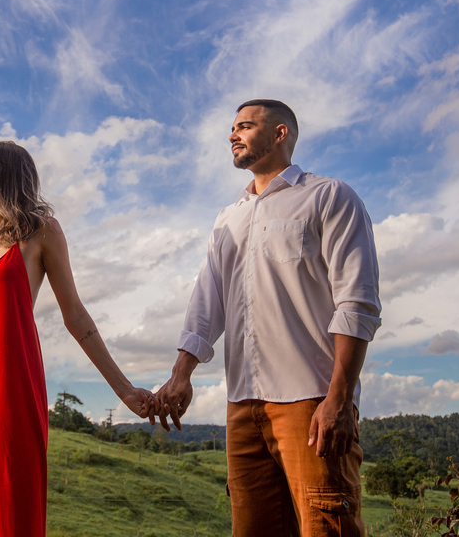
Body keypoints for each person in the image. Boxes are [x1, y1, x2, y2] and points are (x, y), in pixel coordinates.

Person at [0, 139, 155, 536]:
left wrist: (123, 389)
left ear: (5, 175)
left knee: (6, 511)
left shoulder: (41, 233)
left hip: (6, 395)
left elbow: (76, 316)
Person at [153, 99, 382, 537]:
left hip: (311, 402)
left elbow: (357, 303)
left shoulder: (329, 197)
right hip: (242, 407)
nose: (232, 135)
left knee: (326, 525)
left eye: (245, 126)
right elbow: (207, 302)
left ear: (280, 134)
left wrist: (338, 398)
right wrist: (181, 374)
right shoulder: (228, 218)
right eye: (232, 128)